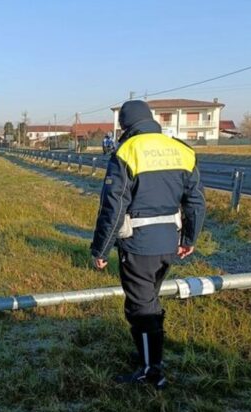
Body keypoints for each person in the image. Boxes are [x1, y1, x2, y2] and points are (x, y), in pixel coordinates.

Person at [90, 100, 206, 389]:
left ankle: (150, 372)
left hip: (139, 245)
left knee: (140, 308)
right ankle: (150, 356)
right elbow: (196, 201)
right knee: (150, 301)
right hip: (169, 242)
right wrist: (189, 238)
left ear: (126, 125)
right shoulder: (182, 149)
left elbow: (114, 208)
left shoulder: (127, 152)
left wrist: (100, 249)